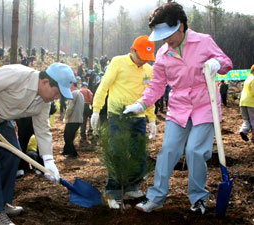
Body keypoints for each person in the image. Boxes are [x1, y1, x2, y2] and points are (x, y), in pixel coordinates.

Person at [123, 2, 233, 214]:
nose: (166, 40)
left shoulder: (203, 41)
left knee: (194, 151)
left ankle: (199, 198)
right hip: (179, 108)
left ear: (181, 26)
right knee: (168, 151)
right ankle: (156, 197)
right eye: (162, 37)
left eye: (168, 34)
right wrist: (141, 104)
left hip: (204, 105)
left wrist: (217, 64)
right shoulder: (164, 54)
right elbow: (157, 85)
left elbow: (226, 62)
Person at [0, 62, 76, 225]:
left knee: (14, 153)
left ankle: (3, 204)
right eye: (56, 93)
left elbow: (43, 129)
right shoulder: (17, 75)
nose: (56, 98)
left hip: (1, 116)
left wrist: (49, 160)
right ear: (45, 82)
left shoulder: (44, 101)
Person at [91, 35, 156, 209]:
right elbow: (104, 85)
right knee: (117, 153)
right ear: (132, 50)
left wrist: (152, 119)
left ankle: (131, 187)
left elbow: (149, 95)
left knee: (139, 155)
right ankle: (112, 192)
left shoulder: (148, 70)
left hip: (138, 118)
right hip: (117, 116)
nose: (143, 61)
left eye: (147, 58)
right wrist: (96, 109)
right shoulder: (118, 62)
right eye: (141, 56)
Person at [61, 85, 84, 158]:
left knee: (67, 136)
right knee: (70, 136)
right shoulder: (80, 94)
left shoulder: (73, 93)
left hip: (72, 119)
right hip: (78, 119)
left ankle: (73, 153)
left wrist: (66, 117)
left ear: (72, 85)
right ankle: (66, 151)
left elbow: (70, 107)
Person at [239, 65, 254, 143]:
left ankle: (243, 131)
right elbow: (253, 92)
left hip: (243, 102)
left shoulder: (248, 78)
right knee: (253, 120)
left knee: (246, 120)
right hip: (251, 103)